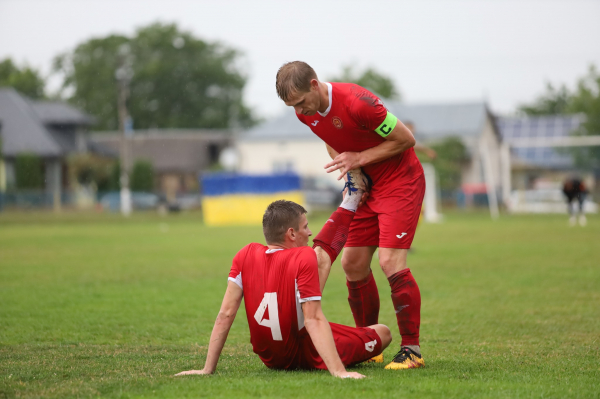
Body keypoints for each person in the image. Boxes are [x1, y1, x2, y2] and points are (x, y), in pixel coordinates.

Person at [275, 61, 426, 370]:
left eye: (302, 101)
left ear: (315, 85)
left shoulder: (359, 103)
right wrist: (355, 175)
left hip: (400, 182)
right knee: (352, 263)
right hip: (367, 187)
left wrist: (360, 158)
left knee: (390, 261)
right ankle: (369, 343)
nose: (300, 110)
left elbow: (406, 139)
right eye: (294, 106)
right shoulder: (304, 113)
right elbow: (333, 142)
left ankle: (412, 350)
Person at [175, 186, 392, 379]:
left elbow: (225, 314)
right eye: (305, 227)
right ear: (291, 233)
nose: (309, 232)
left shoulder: (245, 254)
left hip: (271, 358)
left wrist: (207, 369)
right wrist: (339, 371)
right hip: (304, 350)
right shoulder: (304, 256)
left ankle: (350, 200)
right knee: (383, 332)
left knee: (321, 262)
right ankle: (351, 200)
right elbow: (314, 319)